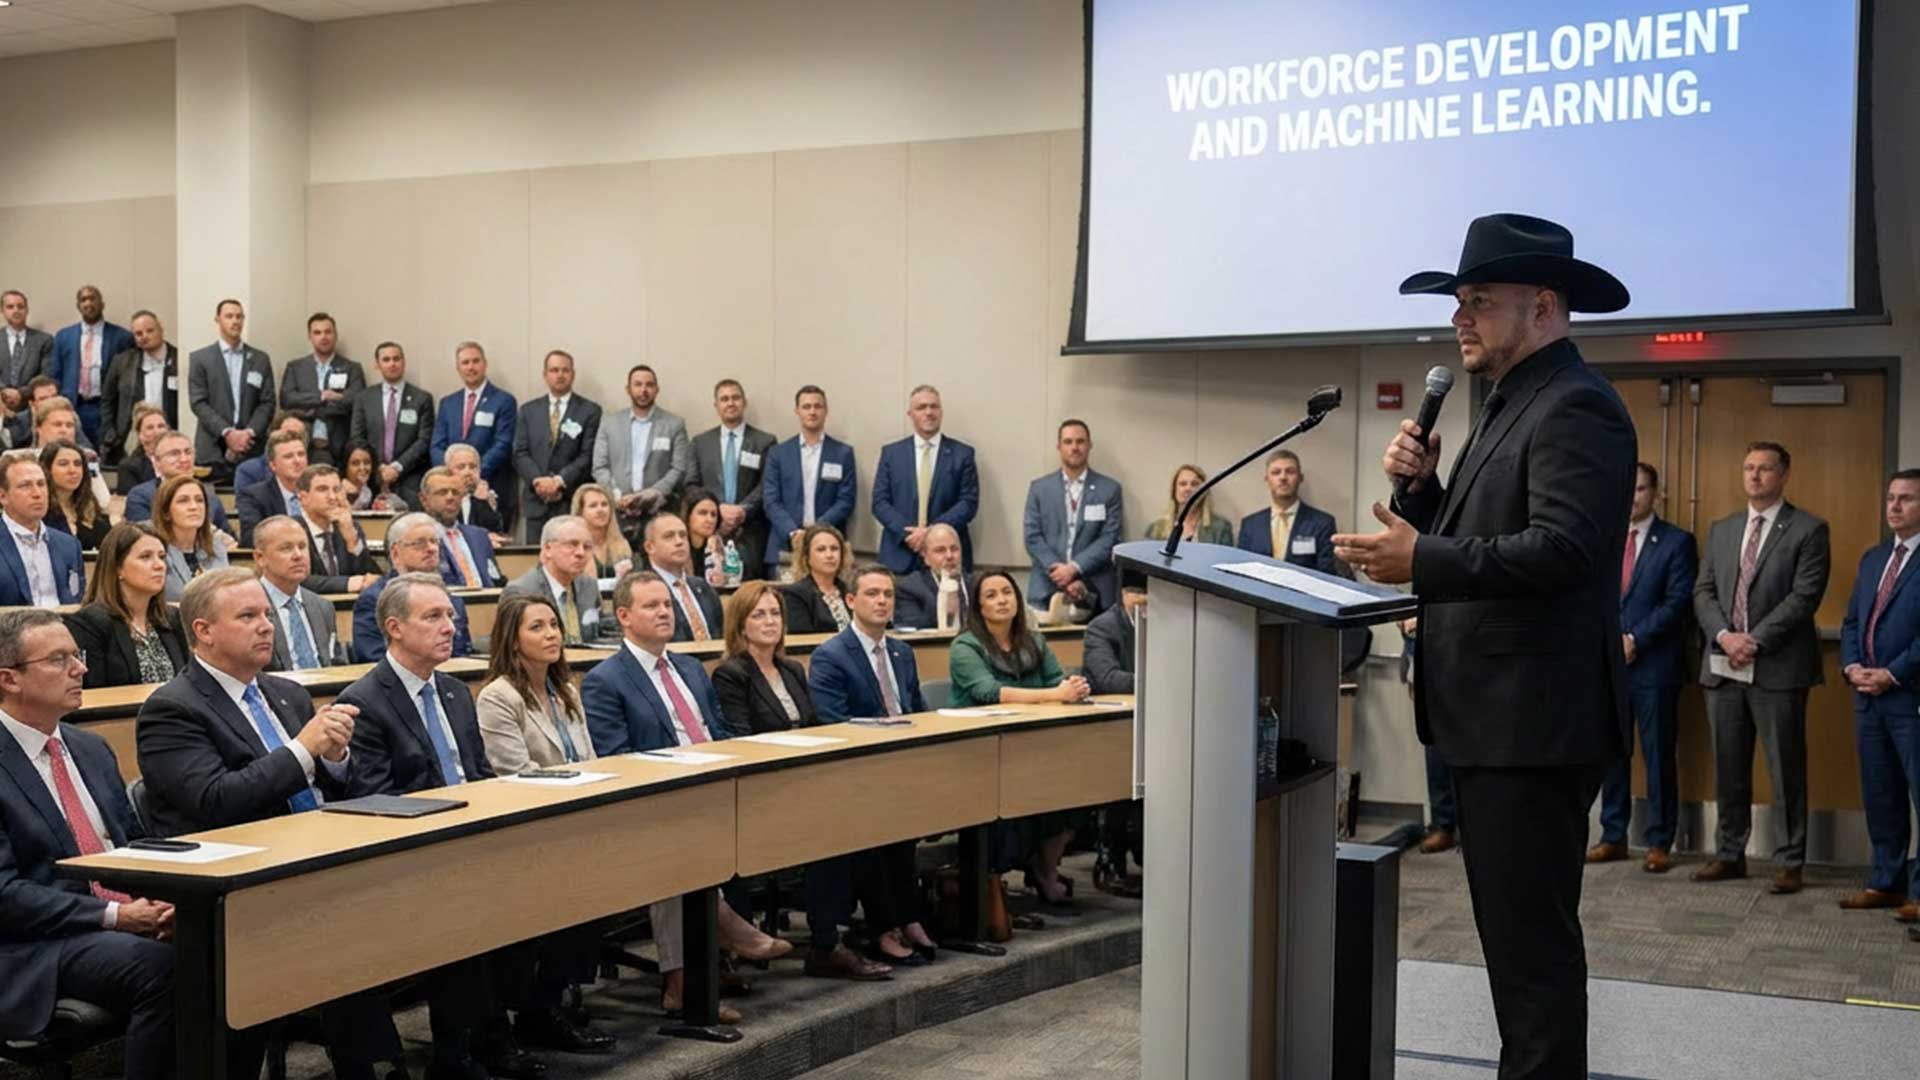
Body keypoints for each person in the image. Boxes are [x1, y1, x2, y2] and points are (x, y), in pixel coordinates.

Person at [1331, 214, 1636, 1079]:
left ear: (1542, 306)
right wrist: (1427, 497)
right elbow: (1496, 539)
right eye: (1458, 302)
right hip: (1498, 723)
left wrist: (1419, 555)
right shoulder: (1513, 402)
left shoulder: (1576, 405)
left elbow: (1564, 553)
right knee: (1517, 956)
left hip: (1533, 727)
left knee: (1532, 962)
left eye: (1478, 302)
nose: (1460, 318)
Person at [334, 571, 528, 1078]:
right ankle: (458, 1051)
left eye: (451, 614)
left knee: (550, 876)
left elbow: (481, 774)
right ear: (394, 628)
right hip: (415, 848)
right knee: (465, 900)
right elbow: (374, 799)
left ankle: (517, 1022)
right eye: (434, 616)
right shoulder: (364, 700)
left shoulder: (456, 691)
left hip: (473, 834)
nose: (451, 625)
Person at [580, 570, 789, 1017]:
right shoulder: (605, 680)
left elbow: (720, 732)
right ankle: (686, 978)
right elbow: (616, 758)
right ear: (623, 616)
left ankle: (711, 960)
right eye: (651, 606)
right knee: (677, 856)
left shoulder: (691, 667)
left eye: (668, 605)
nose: (663, 612)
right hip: (651, 805)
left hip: (712, 791)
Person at [0, 608, 176, 1080]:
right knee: (167, 969)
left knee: (230, 941)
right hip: (33, 944)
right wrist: (117, 916)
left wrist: (163, 897)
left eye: (77, 655)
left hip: (111, 918)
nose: (81, 669)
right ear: (9, 679)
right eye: (59, 660)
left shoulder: (89, 748)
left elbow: (131, 844)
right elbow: (4, 894)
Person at [469, 592, 619, 1058]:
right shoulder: (498, 696)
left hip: (576, 821)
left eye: (553, 625)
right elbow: (513, 774)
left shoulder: (566, 689)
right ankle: (537, 1007)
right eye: (537, 627)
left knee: (608, 884)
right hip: (530, 829)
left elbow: (589, 757)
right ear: (511, 640)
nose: (552, 634)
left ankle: (548, 999)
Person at [1691, 441, 1830, 895]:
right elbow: (1704, 592)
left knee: (1785, 767)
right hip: (1723, 665)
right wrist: (1725, 637)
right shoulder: (1723, 528)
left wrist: (1754, 640)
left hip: (1778, 668)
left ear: (1784, 474)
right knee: (1729, 764)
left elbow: (1804, 597)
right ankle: (1730, 853)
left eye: (1765, 469)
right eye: (1748, 467)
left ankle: (1790, 861)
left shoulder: (1809, 530)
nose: (1754, 476)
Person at [807, 564, 940, 968]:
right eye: (872, 594)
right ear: (850, 601)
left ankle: (907, 915)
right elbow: (834, 722)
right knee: (876, 829)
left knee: (906, 830)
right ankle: (884, 926)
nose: (882, 601)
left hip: (902, 767)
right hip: (857, 772)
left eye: (888, 594)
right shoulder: (831, 656)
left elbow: (916, 710)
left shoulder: (901, 652)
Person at [948, 570, 1091, 905]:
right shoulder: (965, 646)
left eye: (1007, 593)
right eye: (992, 595)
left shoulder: (1033, 640)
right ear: (979, 606)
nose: (1002, 600)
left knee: (1073, 790)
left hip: (1034, 745)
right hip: (981, 751)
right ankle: (992, 883)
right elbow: (987, 691)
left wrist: (1074, 688)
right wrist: (1054, 694)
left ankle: (1045, 868)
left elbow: (1057, 680)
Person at [1589, 463, 1698, 873]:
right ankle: (1612, 835)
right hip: (1607, 666)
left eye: (1639, 489)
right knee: (1612, 752)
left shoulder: (1676, 542)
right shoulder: (1603, 539)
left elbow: (1677, 601)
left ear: (1655, 493)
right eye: (1625, 488)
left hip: (1654, 665)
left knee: (1656, 755)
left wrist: (1634, 639)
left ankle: (1658, 841)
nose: (1631, 496)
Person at [1838, 468, 1920, 923]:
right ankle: (1886, 881)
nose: (1894, 506)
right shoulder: (1874, 559)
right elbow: (1852, 622)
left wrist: (1892, 672)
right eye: (1890, 497)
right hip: (1868, 697)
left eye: (1906, 499)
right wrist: (1853, 668)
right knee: (1881, 793)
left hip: (1910, 697)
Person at [1023, 419, 1124, 622]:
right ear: (1059, 447)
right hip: (1046, 590)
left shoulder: (1110, 489)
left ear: (1089, 445)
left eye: (1080, 441)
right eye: (1068, 442)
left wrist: (1074, 568)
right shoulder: (1039, 489)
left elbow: (1110, 538)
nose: (1074, 447)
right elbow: (1032, 537)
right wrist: (1059, 572)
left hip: (1096, 594)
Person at [63, 523, 186, 689]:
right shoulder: (89, 624)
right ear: (117, 567)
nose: (159, 565)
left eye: (162, 556)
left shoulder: (172, 618)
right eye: (145, 557)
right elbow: (92, 695)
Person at [872, 384, 977, 575]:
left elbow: (968, 504)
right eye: (921, 407)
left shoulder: (962, 454)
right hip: (899, 553)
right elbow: (880, 503)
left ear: (941, 412)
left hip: (947, 557)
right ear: (910, 414)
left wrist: (930, 533)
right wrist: (909, 535)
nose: (928, 412)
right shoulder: (891, 454)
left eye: (933, 406)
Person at [352, 513, 475, 663]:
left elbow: (462, 651)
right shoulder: (374, 599)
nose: (431, 549)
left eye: (434, 542)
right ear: (396, 553)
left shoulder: (451, 598)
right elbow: (372, 657)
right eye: (419, 543)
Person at [761, 384, 856, 576]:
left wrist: (816, 533)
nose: (812, 412)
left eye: (817, 406)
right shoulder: (778, 453)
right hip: (786, 546)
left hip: (828, 546)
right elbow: (771, 500)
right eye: (806, 407)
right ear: (797, 411)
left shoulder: (842, 453)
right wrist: (794, 533)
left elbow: (845, 501)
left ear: (826, 411)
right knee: (784, 603)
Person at [687, 379, 776, 579]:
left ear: (744, 402)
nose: (730, 403)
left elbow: (767, 484)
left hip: (749, 531)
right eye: (724, 399)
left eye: (735, 398)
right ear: (716, 405)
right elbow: (691, 484)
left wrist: (742, 510)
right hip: (709, 530)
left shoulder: (765, 441)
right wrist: (718, 510)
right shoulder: (700, 443)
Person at [513, 349, 602, 545]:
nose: (560, 375)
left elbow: (588, 455)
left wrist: (559, 481)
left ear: (573, 374)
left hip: (569, 500)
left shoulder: (590, 410)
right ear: (545, 375)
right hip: (536, 501)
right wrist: (539, 481)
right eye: (554, 370)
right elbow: (520, 453)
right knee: (536, 559)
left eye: (565, 370)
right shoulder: (528, 410)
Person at [589, 363, 690, 533]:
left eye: (649, 385)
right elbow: (599, 466)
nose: (644, 390)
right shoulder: (609, 423)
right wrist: (618, 497)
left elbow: (679, 468)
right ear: (628, 389)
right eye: (638, 384)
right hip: (618, 512)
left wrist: (652, 494)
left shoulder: (674, 424)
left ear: (657, 389)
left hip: (659, 510)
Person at [431, 341, 518, 531]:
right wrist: (451, 475)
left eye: (475, 361)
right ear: (458, 367)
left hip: (490, 486)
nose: (471, 367)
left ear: (485, 364)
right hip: (452, 492)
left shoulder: (504, 401)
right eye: (465, 363)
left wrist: (472, 474)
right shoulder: (447, 402)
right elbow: (437, 445)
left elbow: (503, 444)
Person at [185, 299, 274, 482]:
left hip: (252, 447)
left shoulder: (259, 359)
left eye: (239, 316)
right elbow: (198, 402)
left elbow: (267, 402)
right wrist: (227, 433)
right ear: (218, 320)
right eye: (229, 316)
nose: (235, 321)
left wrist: (248, 433)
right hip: (212, 447)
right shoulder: (200, 359)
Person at [712, 581, 817, 734]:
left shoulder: (793, 669)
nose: (770, 622)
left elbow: (813, 724)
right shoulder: (730, 675)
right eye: (758, 615)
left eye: (775, 613)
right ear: (741, 626)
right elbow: (739, 736)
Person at [347, 341, 436, 507]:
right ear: (377, 365)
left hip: (409, 476)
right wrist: (379, 467)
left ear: (404, 362)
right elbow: (357, 438)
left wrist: (397, 467)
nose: (392, 363)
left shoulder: (422, 398)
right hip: (373, 476)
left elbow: (424, 440)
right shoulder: (363, 398)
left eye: (396, 359)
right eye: (386, 359)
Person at [253, 515, 343, 671]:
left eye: (302, 546)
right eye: (286, 548)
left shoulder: (323, 606)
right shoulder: (250, 607)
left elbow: (337, 665)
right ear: (260, 558)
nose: (298, 555)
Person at [47, 285, 132, 447]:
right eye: (83, 300)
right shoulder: (63, 336)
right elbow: (55, 375)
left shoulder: (122, 337)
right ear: (78, 306)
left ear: (102, 304)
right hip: (74, 406)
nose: (88, 303)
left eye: (93, 298)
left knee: (107, 455)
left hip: (106, 409)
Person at [500, 515, 605, 645]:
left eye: (587, 547)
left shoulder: (589, 585)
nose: (580, 553)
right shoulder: (522, 591)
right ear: (548, 549)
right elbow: (507, 644)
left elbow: (601, 632)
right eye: (572, 544)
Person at [279, 312, 364, 469]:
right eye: (317, 332)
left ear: (335, 335)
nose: (323, 336)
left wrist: (307, 407)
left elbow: (356, 400)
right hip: (302, 443)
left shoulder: (352, 368)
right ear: (310, 337)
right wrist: (322, 397)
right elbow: (287, 399)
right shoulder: (295, 367)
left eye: (328, 331)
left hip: (339, 443)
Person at [0, 455, 85, 608]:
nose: (37, 493)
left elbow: (77, 603)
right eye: (25, 486)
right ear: (3, 496)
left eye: (41, 484)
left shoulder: (69, 545)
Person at [1236, 449, 1338, 574]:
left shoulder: (1323, 523)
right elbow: (1242, 571)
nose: (1283, 477)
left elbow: (1327, 573)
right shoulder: (1250, 525)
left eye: (1290, 472)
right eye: (1276, 472)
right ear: (1267, 479)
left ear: (1300, 478)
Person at [100, 309, 178, 465]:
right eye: (138, 333)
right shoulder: (122, 362)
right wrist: (110, 433)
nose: (144, 336)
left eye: (150, 330)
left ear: (160, 329)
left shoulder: (178, 358)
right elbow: (107, 400)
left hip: (170, 433)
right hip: (132, 436)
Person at [123, 430, 235, 535]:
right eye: (174, 454)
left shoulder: (211, 498)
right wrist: (212, 535)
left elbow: (231, 540)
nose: (184, 459)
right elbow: (144, 537)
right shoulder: (141, 496)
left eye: (188, 452)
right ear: (157, 462)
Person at [295, 464, 382, 595]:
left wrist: (352, 542)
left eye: (336, 489)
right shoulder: (290, 530)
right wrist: (348, 583)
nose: (332, 497)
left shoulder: (350, 527)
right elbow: (296, 580)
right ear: (303, 498)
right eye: (322, 489)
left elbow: (372, 577)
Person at [643, 511, 724, 642]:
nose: (679, 542)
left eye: (683, 535)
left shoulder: (703, 587)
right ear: (650, 547)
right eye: (669, 536)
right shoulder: (644, 590)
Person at [421, 465, 503, 589]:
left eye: (456, 492)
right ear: (424, 500)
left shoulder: (479, 536)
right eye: (442, 492)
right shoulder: (418, 538)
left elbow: (495, 580)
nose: (450, 497)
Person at [154, 473, 231, 602]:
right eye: (183, 501)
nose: (194, 507)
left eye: (199, 500)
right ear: (166, 512)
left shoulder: (216, 546)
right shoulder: (157, 550)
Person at [236, 429, 310, 546]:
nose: (297, 461)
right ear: (273, 465)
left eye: (301, 454)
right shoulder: (253, 496)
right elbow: (250, 537)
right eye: (288, 456)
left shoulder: (319, 491)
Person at [893, 522, 968, 631]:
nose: (949, 556)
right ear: (925, 556)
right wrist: (947, 611)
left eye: (954, 549)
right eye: (940, 550)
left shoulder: (975, 584)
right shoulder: (910, 587)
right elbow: (910, 628)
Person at [781, 522, 852, 634]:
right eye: (821, 549)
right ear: (807, 557)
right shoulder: (795, 594)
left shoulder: (852, 591)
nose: (829, 555)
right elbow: (801, 640)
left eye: (834, 549)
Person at [39, 439, 109, 550]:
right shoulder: (38, 510)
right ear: (47, 469)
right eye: (63, 464)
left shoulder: (91, 508)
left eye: (77, 464)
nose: (72, 470)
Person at [1083, 572, 1143, 695]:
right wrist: (1157, 681)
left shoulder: (1169, 624)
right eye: (1139, 593)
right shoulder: (1101, 627)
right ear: (1124, 594)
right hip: (1114, 707)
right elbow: (1108, 679)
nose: (1145, 599)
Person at [1144, 463, 1234, 545]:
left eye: (1194, 484)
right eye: (1183, 484)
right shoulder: (1156, 529)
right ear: (1174, 490)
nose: (1188, 488)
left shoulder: (1221, 527)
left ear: (1204, 491)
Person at [1, 290, 54, 414]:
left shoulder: (44, 340)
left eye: (20, 306)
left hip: (31, 407)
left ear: (27, 310)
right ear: (2, 311)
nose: (16, 310)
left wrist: (21, 393)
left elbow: (46, 376)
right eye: (10, 307)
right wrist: (4, 392)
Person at [445, 441, 509, 538]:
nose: (468, 472)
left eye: (473, 467)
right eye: (461, 467)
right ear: (448, 472)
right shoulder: (442, 499)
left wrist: (482, 503)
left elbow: (494, 532)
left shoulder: (487, 498)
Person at [231, 411, 308, 492]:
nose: (293, 440)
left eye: (299, 436)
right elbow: (246, 503)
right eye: (288, 434)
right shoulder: (249, 471)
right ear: (272, 435)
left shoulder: (312, 475)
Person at [572, 483, 633, 579]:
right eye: (593, 506)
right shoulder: (573, 547)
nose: (600, 510)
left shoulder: (622, 544)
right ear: (580, 512)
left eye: (604, 504)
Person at [114, 402, 171, 496]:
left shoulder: (181, 459)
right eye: (150, 428)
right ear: (140, 434)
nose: (157, 432)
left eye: (161, 426)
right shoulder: (129, 467)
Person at [681, 486, 728, 584]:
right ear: (688, 516)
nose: (710, 520)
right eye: (702, 513)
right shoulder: (678, 546)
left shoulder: (719, 546)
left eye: (713, 514)